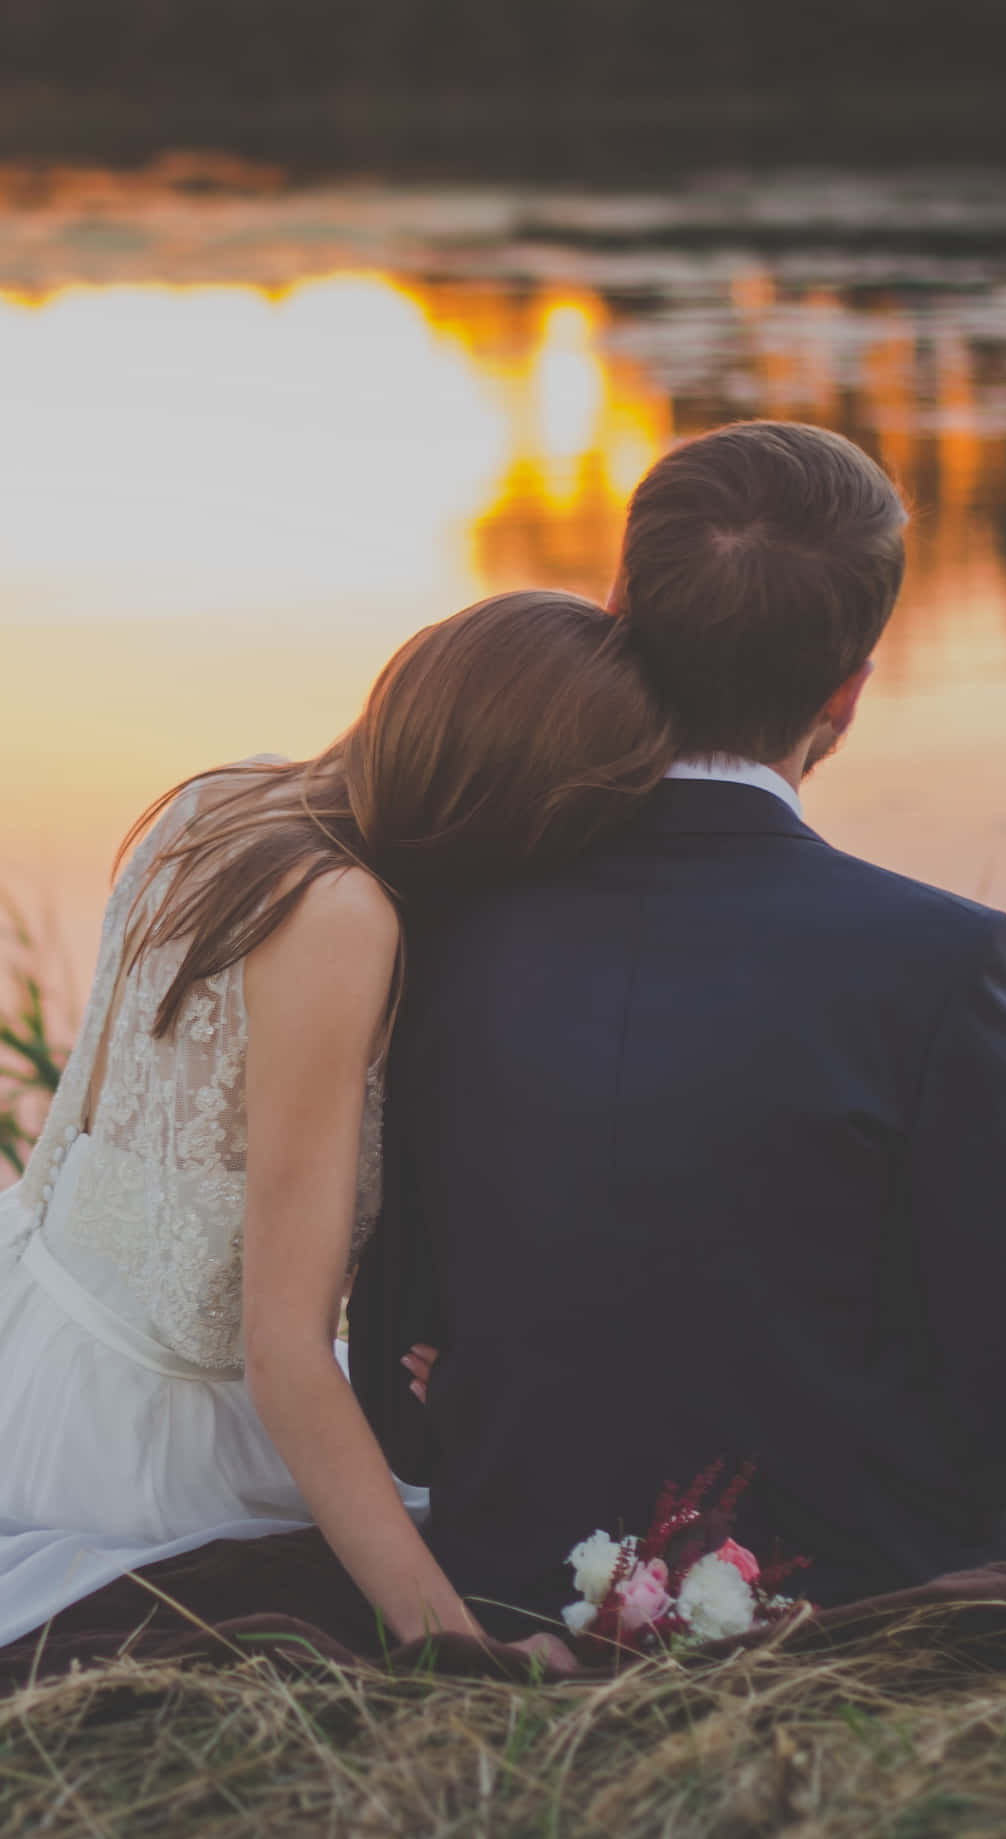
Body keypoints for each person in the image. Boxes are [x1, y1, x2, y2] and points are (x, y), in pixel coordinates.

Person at [352, 421, 1006, 1635]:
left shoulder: (441, 923)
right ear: (851, 686)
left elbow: (393, 1361)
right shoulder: (942, 957)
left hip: (510, 1546)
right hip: (841, 1560)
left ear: (619, 611)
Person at [0, 590, 671, 1661]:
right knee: (514, 1546)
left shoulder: (226, 799)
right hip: (140, 1446)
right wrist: (454, 1649)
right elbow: (281, 1352)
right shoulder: (339, 916)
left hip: (39, 1336)